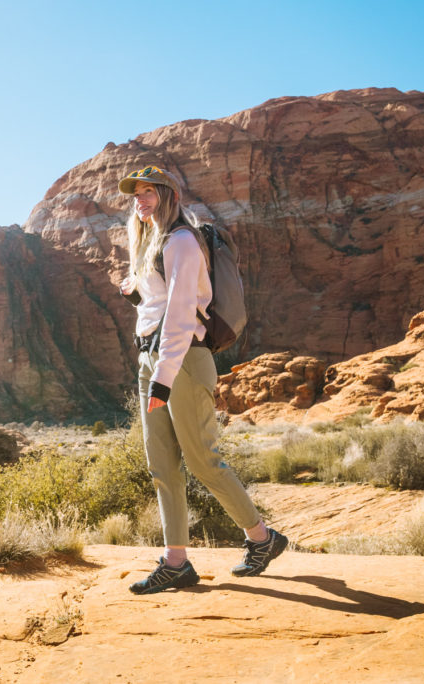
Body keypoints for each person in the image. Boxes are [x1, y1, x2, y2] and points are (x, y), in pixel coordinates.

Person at [117, 165, 287, 595]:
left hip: (183, 362)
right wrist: (136, 292)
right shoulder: (151, 244)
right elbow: (159, 305)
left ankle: (263, 540)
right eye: (136, 195)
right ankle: (176, 562)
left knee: (202, 461)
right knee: (162, 466)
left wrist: (163, 377)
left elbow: (179, 313)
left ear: (169, 195)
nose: (141, 200)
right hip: (150, 358)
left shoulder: (181, 240)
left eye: (149, 193)